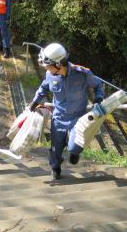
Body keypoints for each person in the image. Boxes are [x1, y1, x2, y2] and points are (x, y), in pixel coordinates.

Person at [29, 43, 105, 180]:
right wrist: (34, 102)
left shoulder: (83, 73)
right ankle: (55, 168)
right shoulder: (50, 75)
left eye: (48, 65)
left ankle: (74, 152)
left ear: (58, 64)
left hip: (78, 117)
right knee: (55, 149)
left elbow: (98, 85)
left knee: (74, 147)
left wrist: (98, 99)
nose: (46, 68)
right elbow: (43, 89)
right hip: (59, 117)